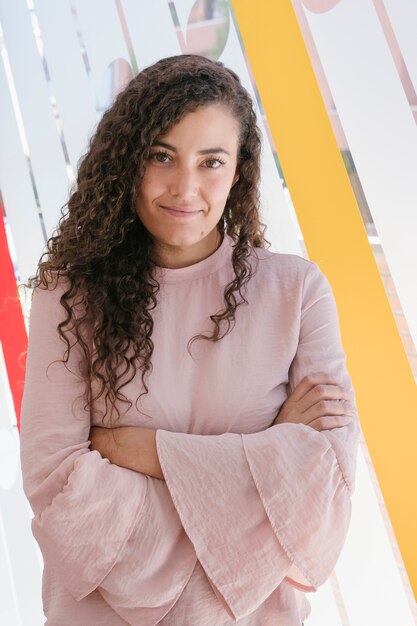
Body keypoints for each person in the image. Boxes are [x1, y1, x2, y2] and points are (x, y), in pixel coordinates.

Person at [19, 54, 360, 625]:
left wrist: (140, 450)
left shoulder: (298, 292)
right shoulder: (70, 294)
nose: (185, 187)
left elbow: (322, 496)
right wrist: (266, 456)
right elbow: (59, 491)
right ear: (128, 162)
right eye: (161, 156)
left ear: (238, 172)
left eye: (211, 162)